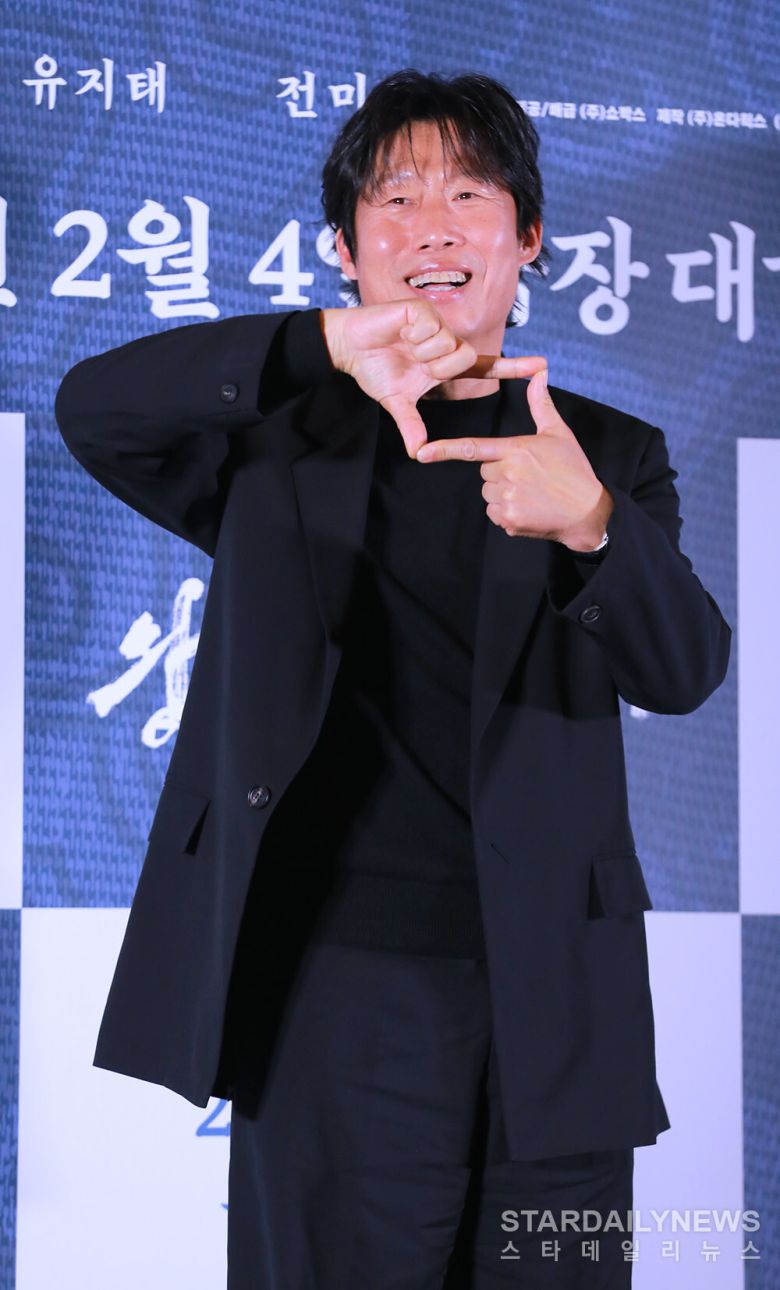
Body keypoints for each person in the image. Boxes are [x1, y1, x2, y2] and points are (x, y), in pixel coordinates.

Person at [55, 69, 731, 1288]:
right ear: (346, 249)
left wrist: (593, 526)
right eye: (396, 199)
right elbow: (93, 410)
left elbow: (683, 670)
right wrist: (318, 348)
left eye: (470, 195)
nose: (434, 228)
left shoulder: (605, 455)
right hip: (333, 996)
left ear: (527, 237)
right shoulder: (275, 446)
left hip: (562, 1014)